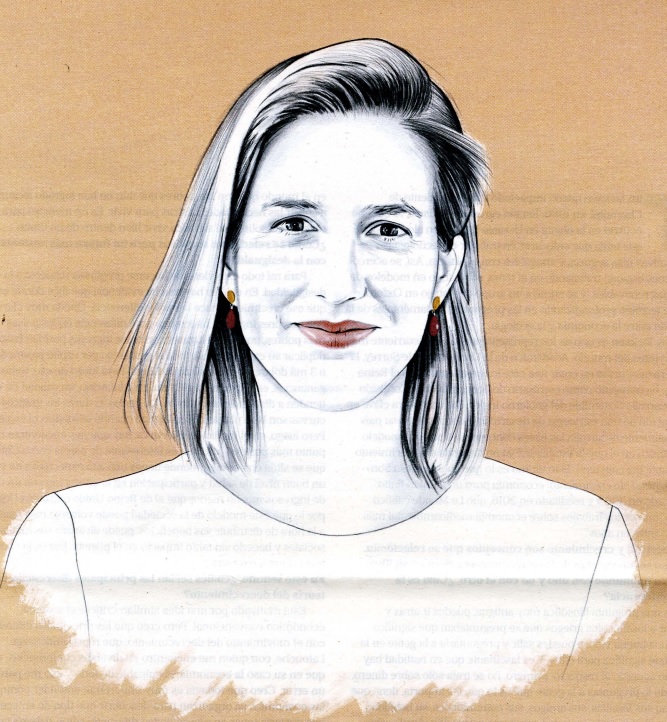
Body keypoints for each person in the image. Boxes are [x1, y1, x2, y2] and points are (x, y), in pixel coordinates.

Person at [2, 38, 645, 716]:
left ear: (443, 268)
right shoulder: (79, 548)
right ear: (227, 262)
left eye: (387, 230)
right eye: (294, 224)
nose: (339, 286)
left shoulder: (579, 548)